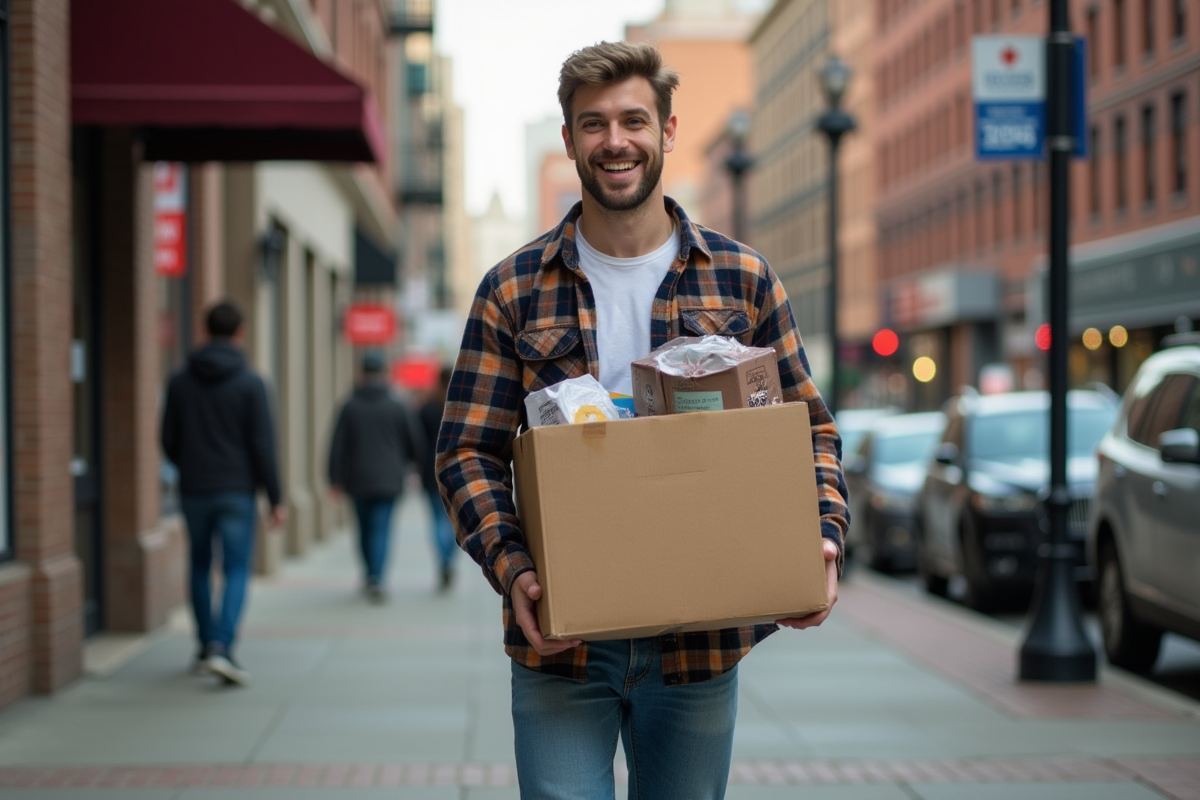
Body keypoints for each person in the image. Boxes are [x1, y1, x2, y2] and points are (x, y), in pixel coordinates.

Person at [435, 41, 849, 799]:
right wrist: (515, 569)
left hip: (701, 645)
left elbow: (809, 429)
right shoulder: (513, 289)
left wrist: (821, 533)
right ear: (568, 141)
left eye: (633, 120)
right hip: (564, 641)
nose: (614, 141)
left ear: (666, 130)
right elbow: (466, 451)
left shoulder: (743, 278)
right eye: (593, 124)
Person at [161, 300, 286, 687]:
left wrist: (190, 465)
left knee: (199, 564)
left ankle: (204, 646)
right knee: (235, 568)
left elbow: (167, 439)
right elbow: (263, 445)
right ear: (240, 332)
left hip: (195, 489)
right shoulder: (252, 382)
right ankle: (222, 645)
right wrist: (275, 498)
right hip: (236, 491)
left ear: (204, 330)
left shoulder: (180, 380)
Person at [328, 350, 420, 603]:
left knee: (364, 529)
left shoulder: (349, 405)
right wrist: (414, 467)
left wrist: (334, 479)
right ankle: (377, 577)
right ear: (383, 373)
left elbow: (337, 445)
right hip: (389, 479)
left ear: (361, 374)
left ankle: (370, 574)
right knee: (381, 528)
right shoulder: (397, 405)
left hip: (357, 479)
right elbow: (413, 442)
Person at [418, 366, 458, 591]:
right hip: (455, 471)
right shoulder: (459, 405)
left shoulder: (427, 408)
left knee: (436, 520)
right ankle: (448, 560)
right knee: (454, 521)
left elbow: (418, 441)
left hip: (431, 472)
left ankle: (443, 561)